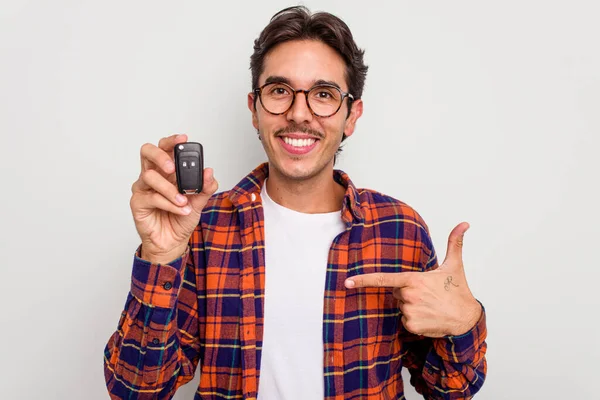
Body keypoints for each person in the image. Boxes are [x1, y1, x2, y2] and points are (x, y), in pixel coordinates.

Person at [103, 5, 487, 400]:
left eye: (323, 94)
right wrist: (159, 256)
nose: (299, 114)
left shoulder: (400, 231)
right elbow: (136, 391)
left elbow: (450, 391)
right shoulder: (204, 227)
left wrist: (465, 322)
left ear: (351, 115)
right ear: (254, 109)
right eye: (280, 91)